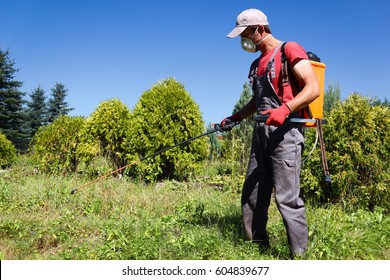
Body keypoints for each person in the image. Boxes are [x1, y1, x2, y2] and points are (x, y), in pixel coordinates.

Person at [221, 8, 319, 256]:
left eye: (246, 34)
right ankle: (256, 248)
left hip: (286, 133)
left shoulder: (289, 50)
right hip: (260, 134)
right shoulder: (256, 64)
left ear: (260, 29)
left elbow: (312, 88)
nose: (245, 40)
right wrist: (235, 117)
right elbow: (258, 100)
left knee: (287, 198)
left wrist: (285, 109)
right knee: (252, 193)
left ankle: (299, 256)